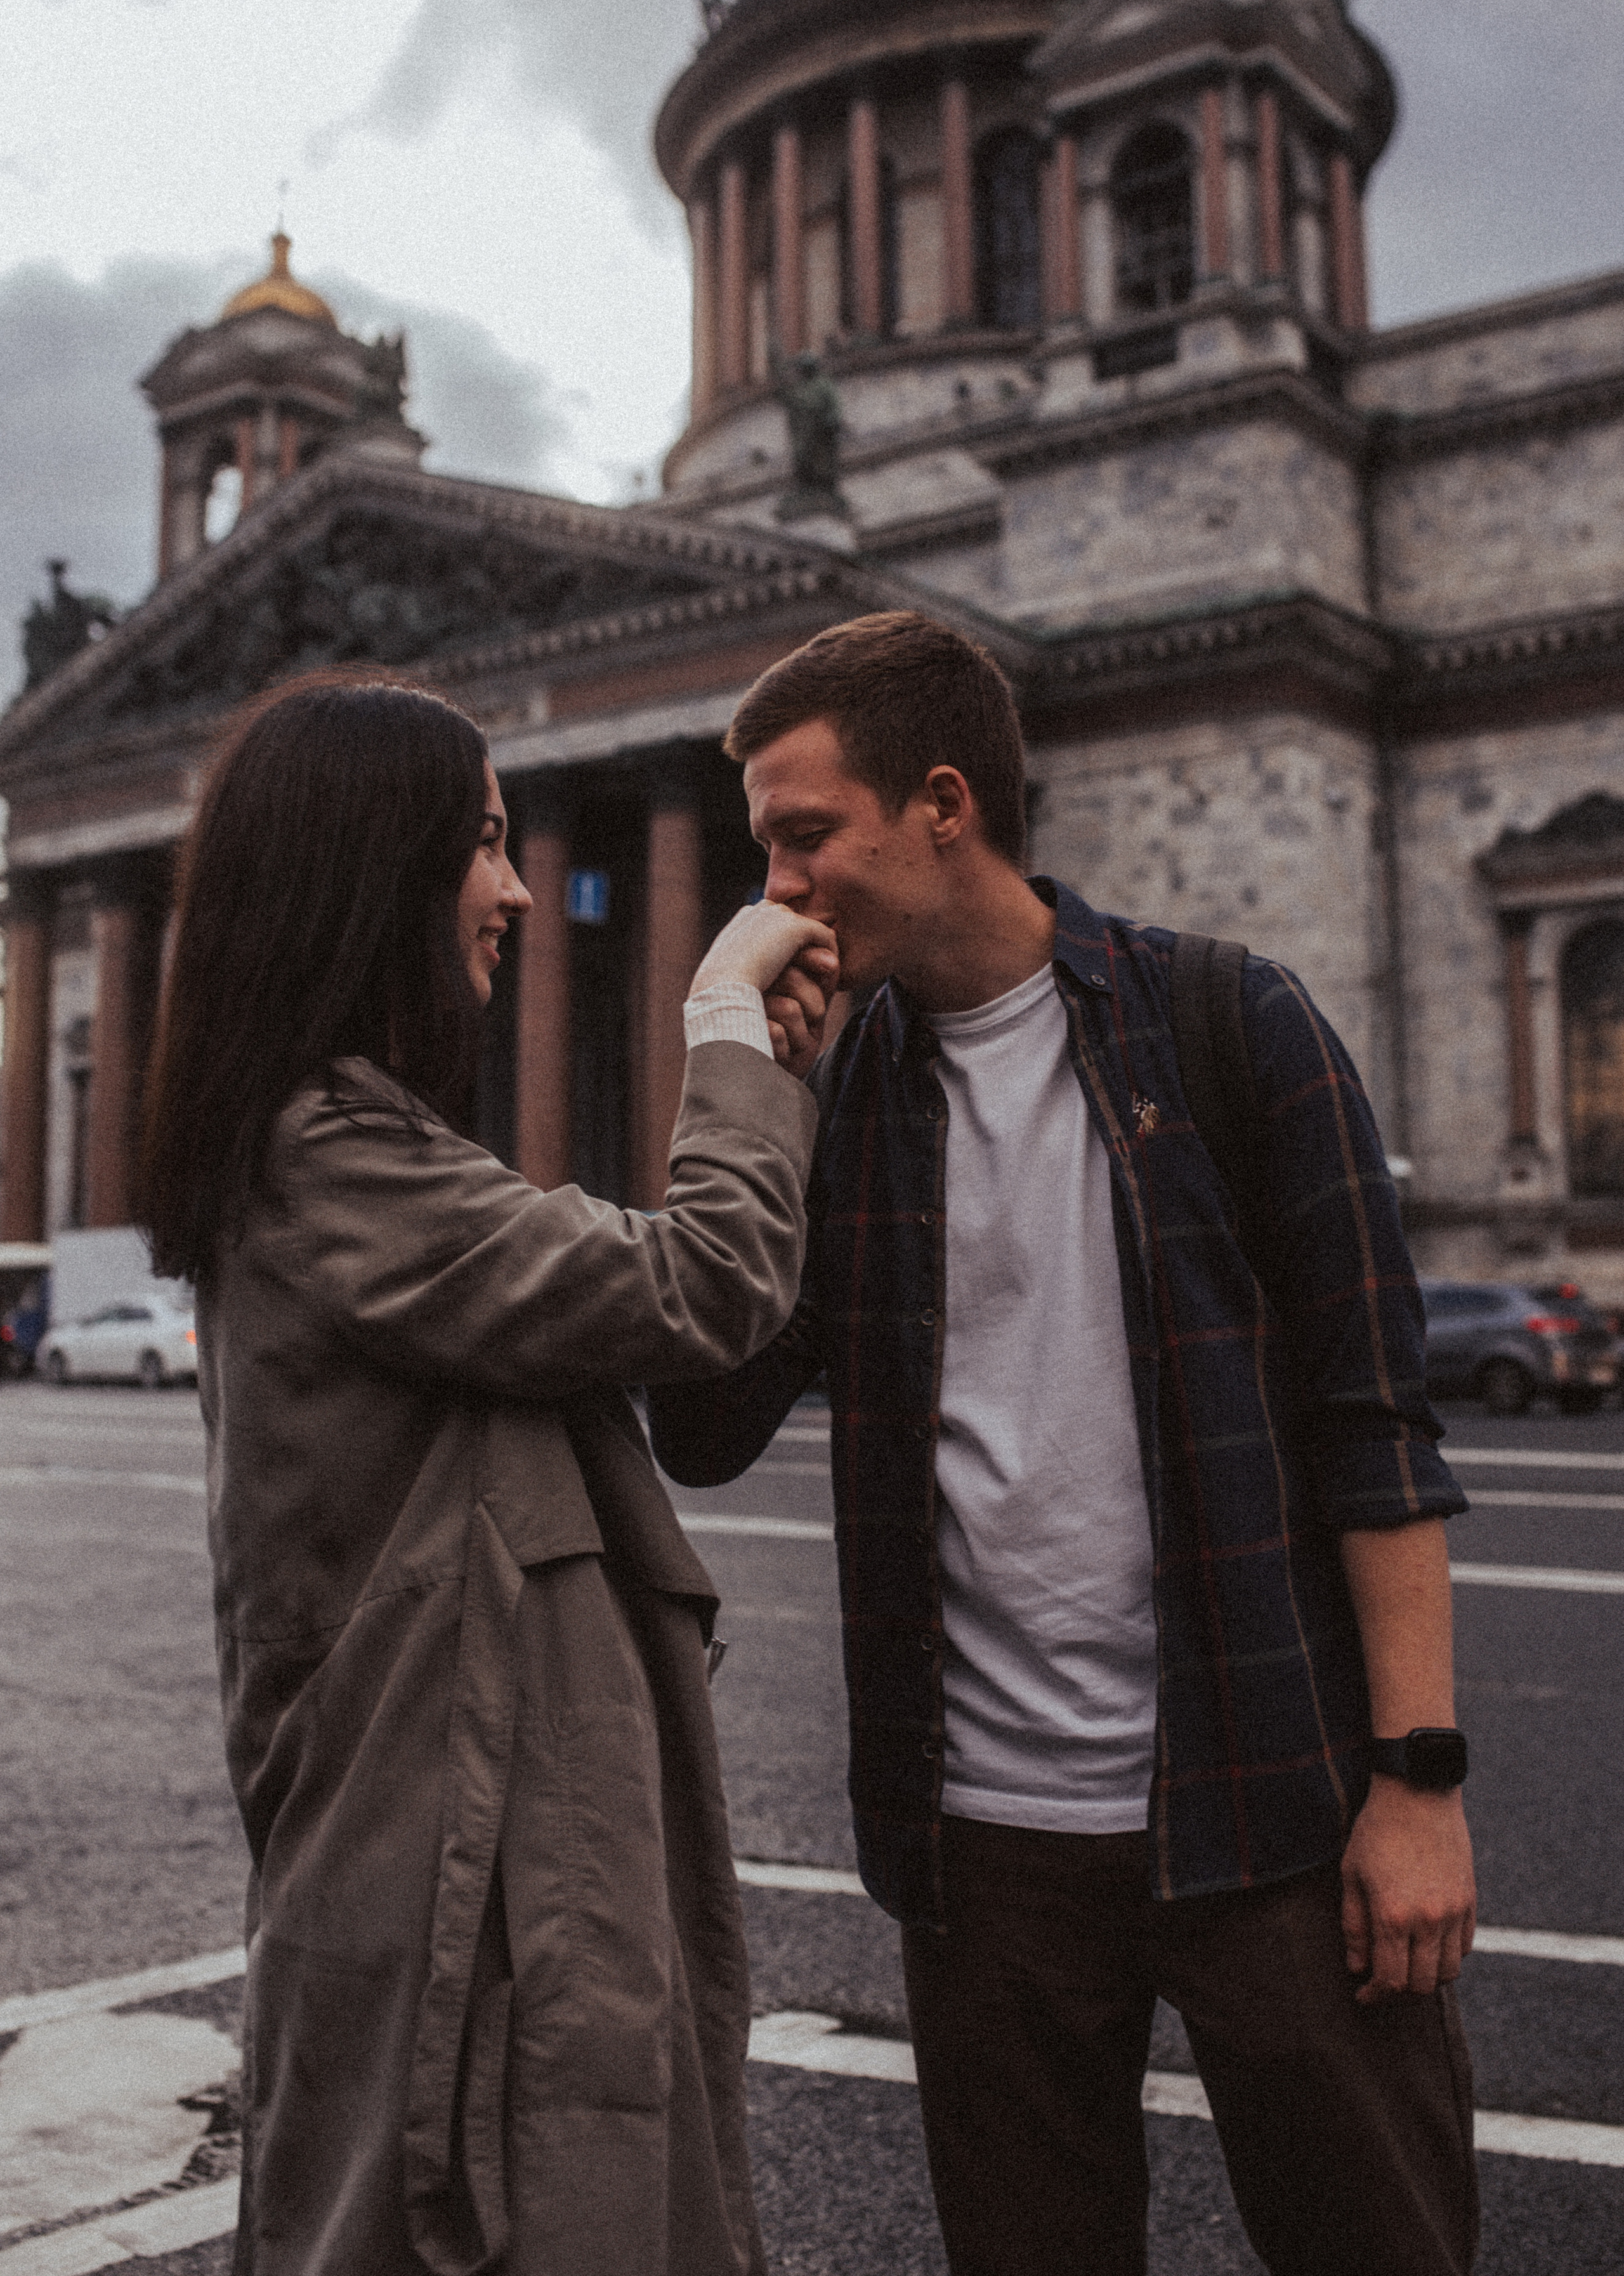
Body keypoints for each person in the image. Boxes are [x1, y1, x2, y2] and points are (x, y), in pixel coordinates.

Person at [649, 612, 1480, 2276]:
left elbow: (1373, 1425)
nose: (774, 893)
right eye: (762, 852)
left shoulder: (1228, 1020)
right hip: (981, 1847)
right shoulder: (847, 1092)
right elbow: (703, 1419)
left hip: (1275, 1811)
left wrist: (1417, 1785)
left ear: (943, 804)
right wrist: (740, 1079)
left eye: (805, 837)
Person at [136, 671, 835, 2276]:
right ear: (368, 870)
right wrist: (721, 1023)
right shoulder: (332, 1156)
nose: (518, 890)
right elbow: (703, 1281)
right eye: (483, 841)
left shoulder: (333, 1144)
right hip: (457, 1888)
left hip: (453, 1859)